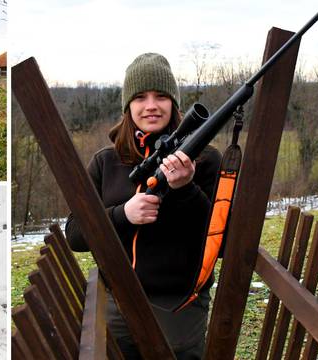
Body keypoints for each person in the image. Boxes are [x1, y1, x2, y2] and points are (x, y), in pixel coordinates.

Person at [64, 53, 222, 359]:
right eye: (140, 97)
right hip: (117, 296)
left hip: (179, 300)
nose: (151, 105)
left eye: (161, 96)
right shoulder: (105, 162)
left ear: (174, 104)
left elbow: (222, 241)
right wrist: (124, 214)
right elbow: (75, 235)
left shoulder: (206, 160)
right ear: (128, 107)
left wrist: (186, 189)